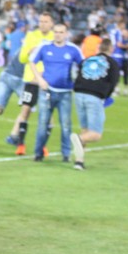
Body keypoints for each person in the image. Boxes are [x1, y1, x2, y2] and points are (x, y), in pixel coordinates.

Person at [29, 23, 83, 162]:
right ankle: (38, 153)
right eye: (56, 32)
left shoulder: (73, 50)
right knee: (43, 124)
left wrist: (77, 81)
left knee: (66, 125)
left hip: (65, 92)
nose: (58, 34)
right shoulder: (45, 47)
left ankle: (66, 154)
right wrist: (39, 79)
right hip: (47, 92)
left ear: (66, 34)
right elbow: (32, 61)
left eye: (61, 32)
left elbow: (83, 65)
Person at [6, 12, 54, 156]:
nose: (43, 24)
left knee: (48, 115)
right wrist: (31, 51)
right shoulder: (31, 36)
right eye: (41, 21)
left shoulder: (54, 37)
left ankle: (43, 146)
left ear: (51, 23)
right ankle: (20, 145)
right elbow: (21, 58)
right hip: (31, 80)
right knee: (25, 111)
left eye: (46, 21)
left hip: (47, 82)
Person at [70, 39, 120, 170]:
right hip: (94, 96)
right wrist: (105, 97)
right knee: (95, 134)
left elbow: (79, 73)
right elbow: (113, 83)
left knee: (85, 129)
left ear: (99, 48)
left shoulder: (88, 59)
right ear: (111, 49)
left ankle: (79, 161)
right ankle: (78, 139)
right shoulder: (113, 63)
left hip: (79, 94)